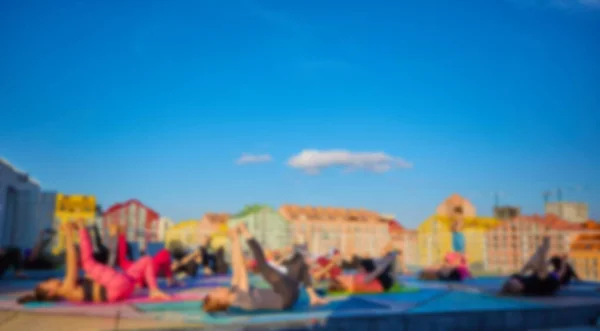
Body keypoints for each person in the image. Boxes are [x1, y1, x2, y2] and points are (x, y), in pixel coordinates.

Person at [17, 219, 170, 304]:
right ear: (51, 292)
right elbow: (71, 258)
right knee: (88, 263)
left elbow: (76, 261)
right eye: (48, 282)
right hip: (117, 287)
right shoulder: (66, 289)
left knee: (147, 260)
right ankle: (84, 228)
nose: (51, 279)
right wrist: (70, 234)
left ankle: (154, 290)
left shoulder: (70, 293)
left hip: (123, 288)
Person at [202, 224, 325, 312]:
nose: (218, 288)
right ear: (221, 301)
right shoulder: (240, 299)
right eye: (216, 292)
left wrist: (234, 240)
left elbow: (236, 266)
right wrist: (237, 238)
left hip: (289, 291)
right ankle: (246, 232)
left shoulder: (234, 289)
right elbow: (242, 269)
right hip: (286, 297)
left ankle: (313, 297)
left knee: (300, 261)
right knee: (263, 267)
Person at [499, 236, 566, 296]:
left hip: (544, 283)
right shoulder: (546, 278)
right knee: (538, 272)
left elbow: (560, 272)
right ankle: (541, 253)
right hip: (540, 282)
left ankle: (541, 253)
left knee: (536, 271)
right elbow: (560, 271)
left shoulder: (550, 279)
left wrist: (562, 262)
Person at [115, 226, 180, 287]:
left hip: (142, 273)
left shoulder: (164, 258)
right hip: (143, 273)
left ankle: (121, 235)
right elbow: (167, 272)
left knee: (123, 262)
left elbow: (167, 272)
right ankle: (121, 235)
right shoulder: (164, 257)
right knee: (123, 262)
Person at [329, 249, 399, 294]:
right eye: (341, 277)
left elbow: (362, 274)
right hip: (385, 283)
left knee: (364, 263)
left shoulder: (351, 284)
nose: (342, 275)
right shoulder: (358, 281)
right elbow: (377, 272)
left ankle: (389, 257)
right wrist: (390, 259)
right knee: (368, 263)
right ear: (342, 282)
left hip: (378, 280)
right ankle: (391, 256)